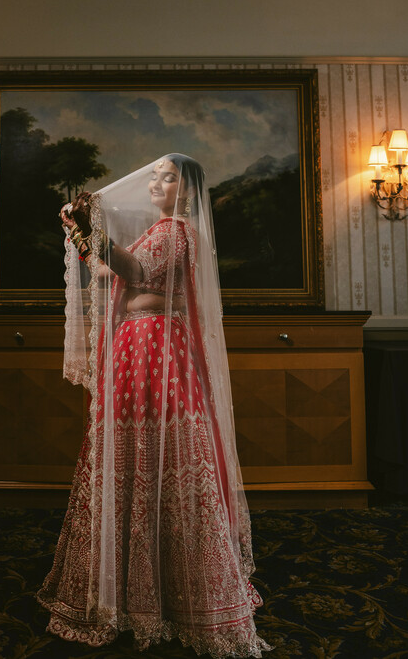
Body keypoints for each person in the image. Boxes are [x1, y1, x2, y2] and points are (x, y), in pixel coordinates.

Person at [37, 154, 271, 658]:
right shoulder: (158, 230)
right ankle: (129, 589)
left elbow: (135, 269)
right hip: (136, 347)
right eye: (155, 175)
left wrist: (94, 235)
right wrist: (80, 234)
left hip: (157, 350)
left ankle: (171, 593)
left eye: (168, 176)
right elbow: (106, 270)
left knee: (158, 457)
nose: (155, 183)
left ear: (187, 191)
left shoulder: (177, 231)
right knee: (132, 456)